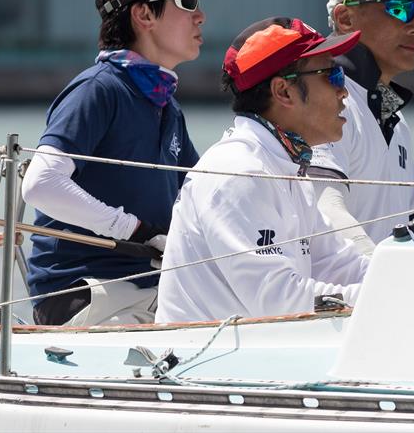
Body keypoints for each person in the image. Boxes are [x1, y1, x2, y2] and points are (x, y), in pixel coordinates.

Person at [21, 0, 229, 326]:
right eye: (187, 0)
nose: (200, 15)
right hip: (86, 294)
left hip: (148, 290)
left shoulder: (164, 101)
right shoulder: (98, 89)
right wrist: (135, 230)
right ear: (144, 14)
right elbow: (40, 184)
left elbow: (201, 196)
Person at [156, 17, 369, 323]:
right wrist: (387, 294)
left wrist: (411, 278)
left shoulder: (285, 165)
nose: (344, 92)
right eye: (333, 75)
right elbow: (280, 303)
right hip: (206, 363)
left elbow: (340, 263)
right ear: (283, 92)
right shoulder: (240, 172)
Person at [310, 0, 414, 255]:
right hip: (336, 297)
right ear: (345, 18)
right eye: (400, 9)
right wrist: (380, 277)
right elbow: (325, 207)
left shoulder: (396, 118)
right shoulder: (319, 98)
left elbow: (412, 221)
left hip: (375, 293)